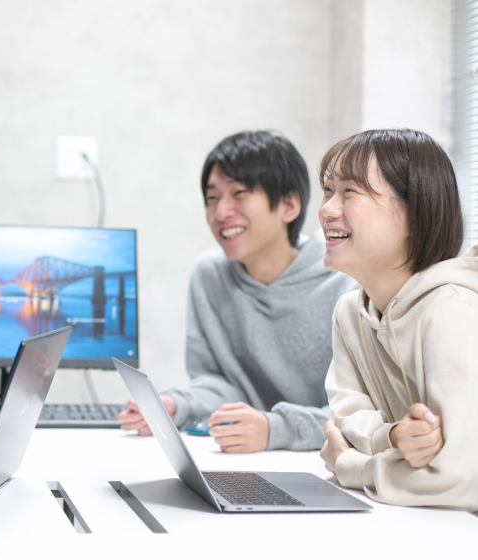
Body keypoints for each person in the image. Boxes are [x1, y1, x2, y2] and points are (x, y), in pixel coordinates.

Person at [119, 130, 356, 452]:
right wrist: (177, 405)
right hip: (243, 456)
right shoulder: (210, 275)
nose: (220, 212)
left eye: (239, 193)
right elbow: (219, 382)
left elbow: (360, 411)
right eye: (212, 198)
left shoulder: (346, 279)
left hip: (325, 461)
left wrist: (276, 429)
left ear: (289, 205)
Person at [319, 128, 476, 509]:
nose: (327, 209)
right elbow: (345, 424)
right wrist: (390, 438)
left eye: (350, 192)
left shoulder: (451, 311)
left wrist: (349, 465)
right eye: (328, 190)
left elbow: (458, 480)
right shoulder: (349, 312)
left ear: (413, 214)